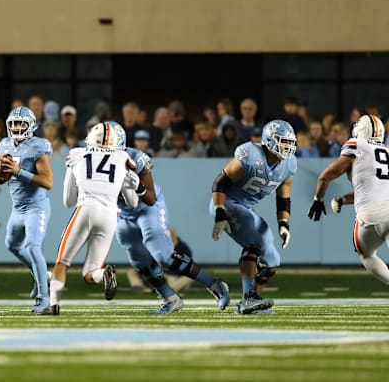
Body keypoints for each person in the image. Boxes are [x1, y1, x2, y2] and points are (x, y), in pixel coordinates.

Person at [112, 122, 230, 314]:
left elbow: (149, 198)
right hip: (124, 214)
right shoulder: (92, 161)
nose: (98, 150)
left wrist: (137, 187)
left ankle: (214, 285)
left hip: (147, 208)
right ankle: (169, 298)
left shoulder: (135, 158)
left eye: (102, 145)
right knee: (139, 260)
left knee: (164, 257)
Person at [39, 122, 142, 315]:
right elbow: (133, 203)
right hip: (110, 215)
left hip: (85, 209)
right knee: (90, 273)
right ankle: (104, 274)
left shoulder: (77, 155)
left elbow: (68, 201)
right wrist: (131, 185)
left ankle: (53, 304)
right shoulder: (123, 158)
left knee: (62, 262)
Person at [210, 120, 297, 314]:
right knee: (255, 243)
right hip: (228, 203)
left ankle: (250, 301)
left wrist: (284, 223)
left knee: (272, 261)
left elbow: (284, 195)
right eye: (283, 142)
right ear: (269, 140)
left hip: (247, 209)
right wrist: (219, 212)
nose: (288, 147)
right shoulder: (250, 155)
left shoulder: (289, 165)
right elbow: (219, 184)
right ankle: (249, 297)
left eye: (290, 143)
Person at [309, 114, 389, 286]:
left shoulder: (356, 144)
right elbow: (374, 189)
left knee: (365, 254)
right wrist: (342, 200)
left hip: (371, 215)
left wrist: (318, 199)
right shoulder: (386, 152)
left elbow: (326, 176)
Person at [0, 106, 53, 313]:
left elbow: (48, 182)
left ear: (31, 125)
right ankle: (39, 275)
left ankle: (45, 299)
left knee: (33, 246)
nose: (16, 127)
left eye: (21, 123)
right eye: (13, 123)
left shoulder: (38, 146)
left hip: (36, 207)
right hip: (18, 209)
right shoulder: (5, 144)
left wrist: (18, 172)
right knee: (12, 245)